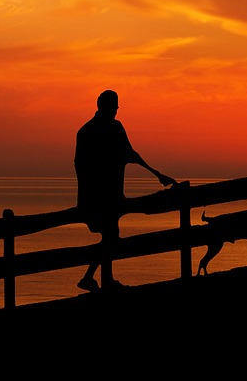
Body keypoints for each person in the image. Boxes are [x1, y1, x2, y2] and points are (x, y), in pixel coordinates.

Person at [74, 89, 175, 292]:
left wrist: (156, 174)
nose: (116, 111)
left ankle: (99, 278)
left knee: (110, 235)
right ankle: (96, 278)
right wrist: (157, 174)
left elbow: (129, 154)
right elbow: (128, 155)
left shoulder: (87, 131)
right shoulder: (99, 130)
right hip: (104, 196)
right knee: (111, 235)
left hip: (101, 195)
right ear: (105, 107)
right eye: (114, 107)